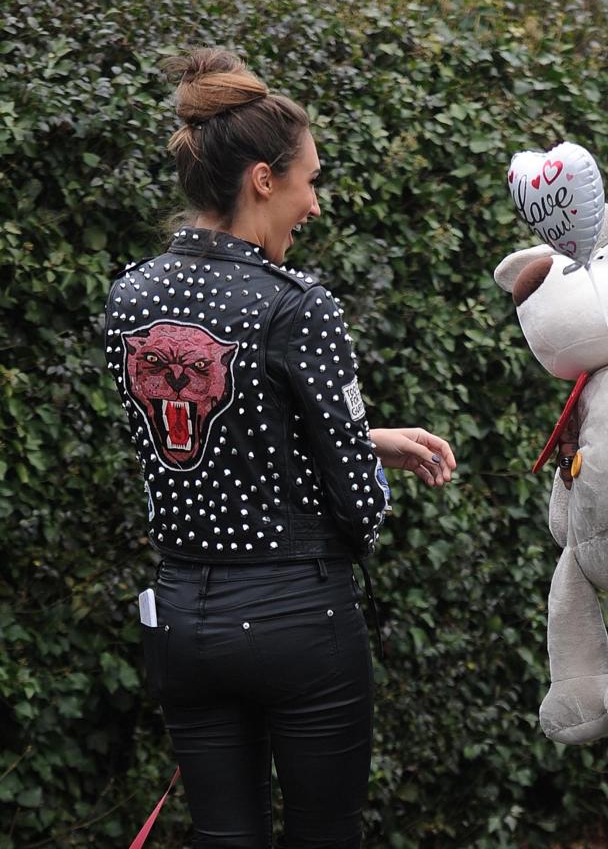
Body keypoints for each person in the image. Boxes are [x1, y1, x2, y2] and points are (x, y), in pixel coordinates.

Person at [103, 48, 456, 848]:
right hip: (299, 618)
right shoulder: (297, 304)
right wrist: (364, 470)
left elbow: (204, 424)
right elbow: (357, 506)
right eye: (309, 179)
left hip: (184, 620)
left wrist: (367, 437)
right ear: (264, 179)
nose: (316, 203)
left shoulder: (130, 296)